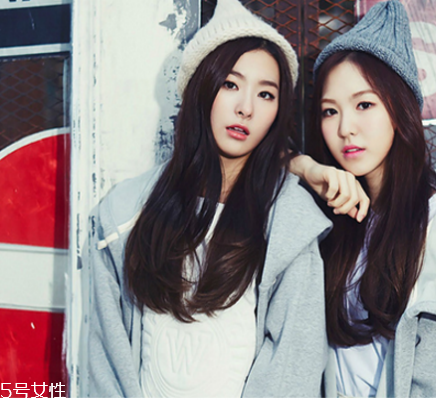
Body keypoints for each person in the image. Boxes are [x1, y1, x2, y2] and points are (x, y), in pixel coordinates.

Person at [81, 0, 331, 396]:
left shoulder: (288, 223)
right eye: (231, 84)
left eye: (266, 94)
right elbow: (106, 360)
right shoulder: (126, 214)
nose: (245, 108)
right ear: (200, 88)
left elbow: (294, 366)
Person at [291, 0, 436, 396]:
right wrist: (307, 168)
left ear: (399, 109)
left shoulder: (434, 227)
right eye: (330, 111)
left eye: (364, 104)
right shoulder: (337, 210)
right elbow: (255, 171)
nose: (346, 128)